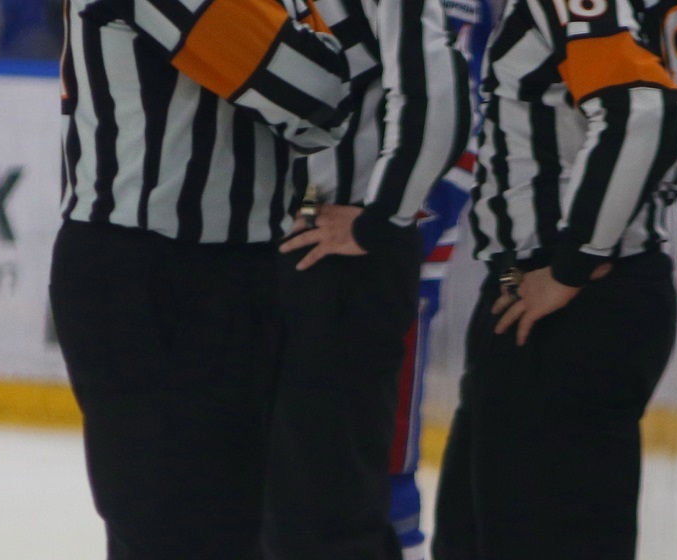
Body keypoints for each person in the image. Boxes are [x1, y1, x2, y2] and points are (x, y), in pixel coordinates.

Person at [431, 1, 677, 559]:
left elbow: (640, 112)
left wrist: (578, 255)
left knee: (541, 537)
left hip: (571, 300)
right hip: (550, 290)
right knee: (477, 531)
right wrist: (636, 192)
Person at [48, 1, 351, 558]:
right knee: (176, 531)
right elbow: (320, 96)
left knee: (219, 530)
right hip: (152, 278)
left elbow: (318, 99)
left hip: (222, 272)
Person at [260, 0, 470, 558]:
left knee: (327, 503)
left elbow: (438, 93)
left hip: (339, 260)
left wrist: (380, 221)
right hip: (282, 254)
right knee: (282, 498)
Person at [385, 0, 498, 558]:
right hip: (366, 223)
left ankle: (395, 536)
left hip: (400, 237)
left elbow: (461, 105)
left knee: (385, 440)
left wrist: (402, 215)